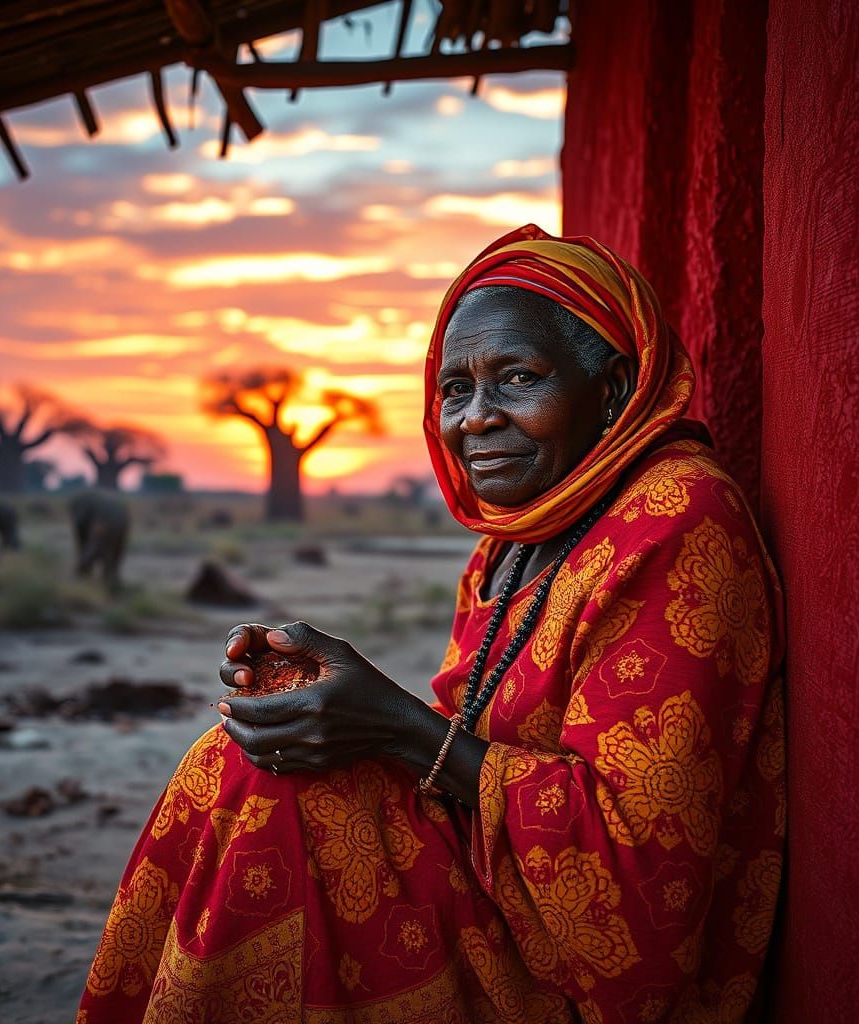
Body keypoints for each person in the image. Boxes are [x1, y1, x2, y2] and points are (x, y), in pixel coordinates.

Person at [76, 226, 784, 1023]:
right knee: (249, 760)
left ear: (614, 388)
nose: (475, 419)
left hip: (575, 970)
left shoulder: (677, 520)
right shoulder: (512, 541)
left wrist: (396, 726)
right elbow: (463, 731)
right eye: (454, 389)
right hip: (486, 885)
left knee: (265, 791)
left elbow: (642, 895)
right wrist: (331, 700)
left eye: (518, 378)